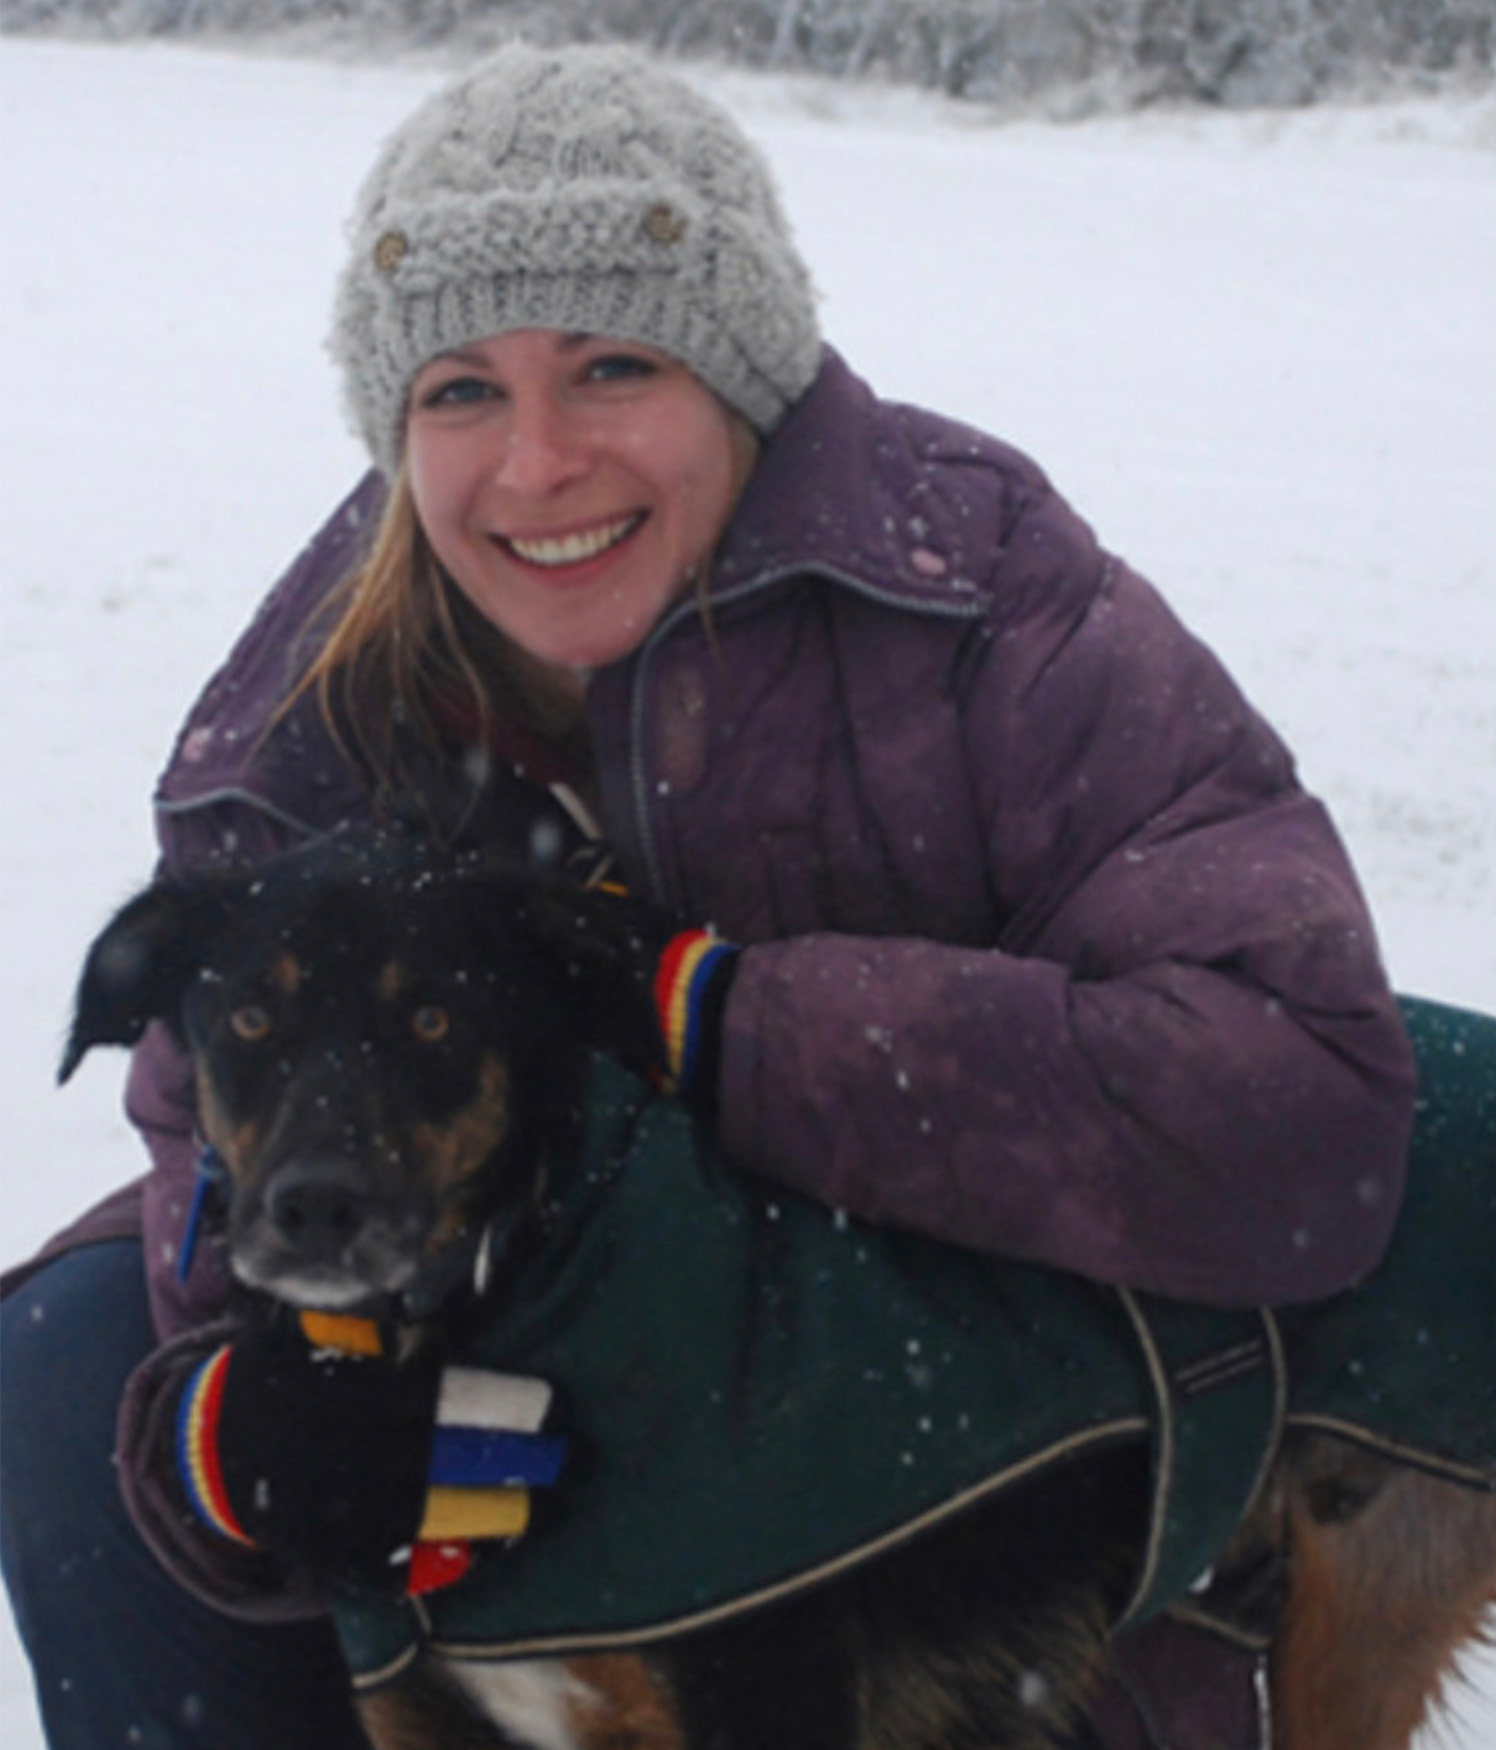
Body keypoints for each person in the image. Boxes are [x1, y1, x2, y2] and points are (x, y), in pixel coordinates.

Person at [1, 42, 1415, 1750]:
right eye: (459, 390)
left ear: (740, 374)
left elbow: (1306, 1110)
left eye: (611, 363)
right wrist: (226, 1429)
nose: (535, 464)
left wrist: (727, 1025)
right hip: (534, 1401)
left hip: (958, 1467)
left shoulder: (981, 601)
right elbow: (197, 1159)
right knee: (75, 1363)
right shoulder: (322, 700)